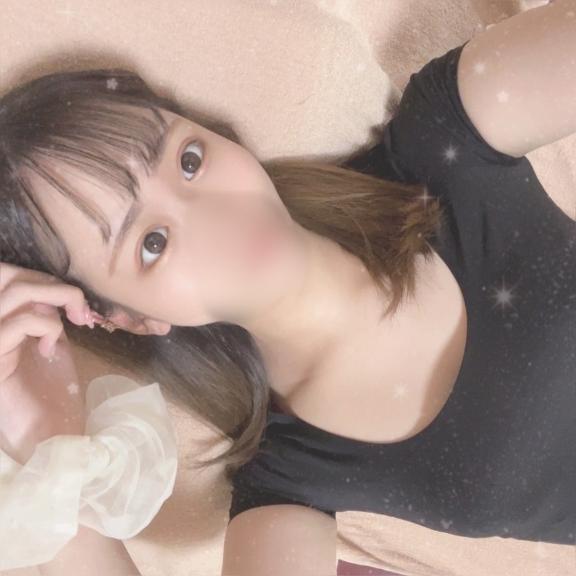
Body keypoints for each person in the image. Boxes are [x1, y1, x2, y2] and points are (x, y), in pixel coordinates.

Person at [0, 1, 574, 574]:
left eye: (189, 160)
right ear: (128, 317)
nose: (218, 218)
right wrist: (48, 450)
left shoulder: (442, 138)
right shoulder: (291, 477)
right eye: (152, 243)